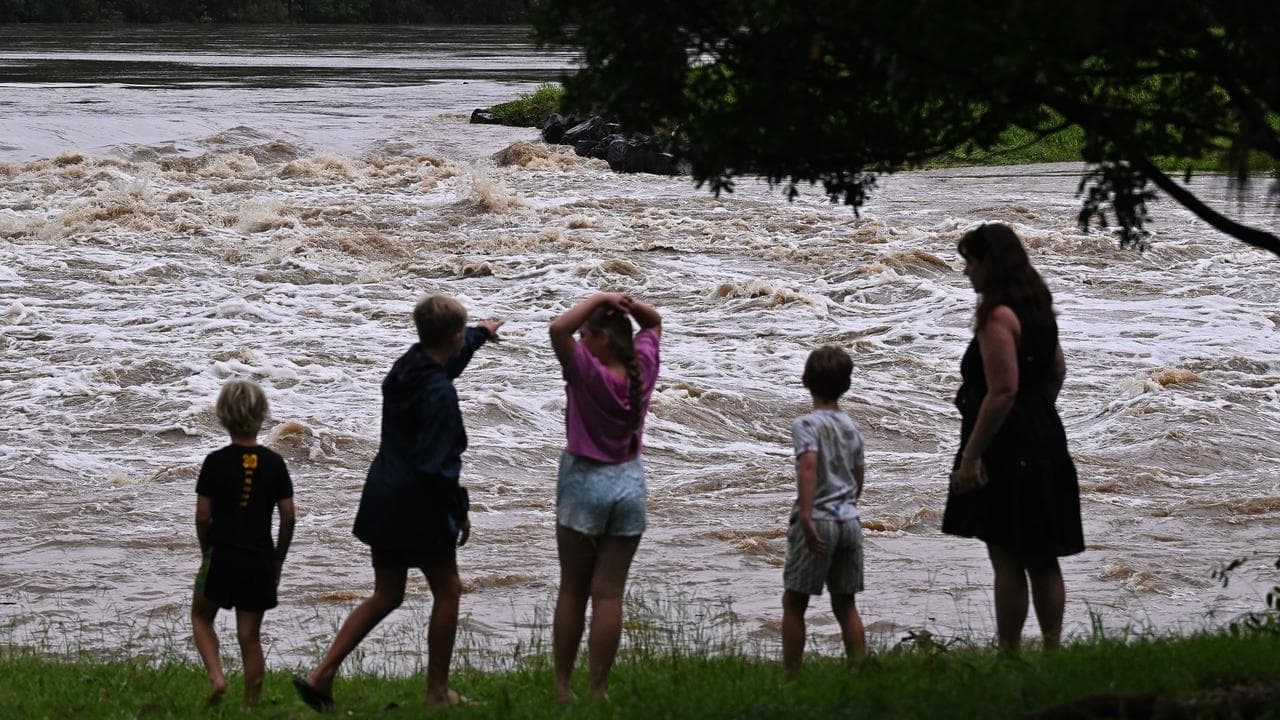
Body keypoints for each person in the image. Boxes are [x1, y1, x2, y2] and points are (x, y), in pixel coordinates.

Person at [293, 295, 502, 710]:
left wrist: (479, 333)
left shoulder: (405, 367)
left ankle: (321, 676)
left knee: (387, 593)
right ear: (453, 336)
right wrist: (459, 509)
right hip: (419, 506)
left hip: (384, 496)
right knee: (448, 589)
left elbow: (445, 360)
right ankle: (437, 692)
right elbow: (437, 466)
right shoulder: (440, 394)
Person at [942, 223, 1084, 652]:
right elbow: (1057, 371)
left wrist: (971, 457)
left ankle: (1009, 653)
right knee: (1044, 557)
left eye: (970, 261)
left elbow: (1002, 391)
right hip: (1046, 438)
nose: (966, 271)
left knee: (1006, 557)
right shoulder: (1038, 308)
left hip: (1006, 448)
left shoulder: (997, 317)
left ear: (989, 264)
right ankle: (1054, 652)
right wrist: (1036, 413)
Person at [548, 292, 661, 702]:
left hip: (584, 483)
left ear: (603, 339)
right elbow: (653, 323)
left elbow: (557, 329)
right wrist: (630, 305)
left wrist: (601, 296)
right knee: (609, 594)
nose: (580, 339)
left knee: (573, 590)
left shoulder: (586, 371)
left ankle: (563, 686)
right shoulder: (641, 367)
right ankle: (598, 689)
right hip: (629, 485)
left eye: (586, 334)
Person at [192, 378, 295, 707]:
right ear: (262, 415)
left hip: (222, 554)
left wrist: (206, 551)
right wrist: (278, 559)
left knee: (201, 616)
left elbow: (202, 517)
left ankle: (217, 678)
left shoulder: (215, 462)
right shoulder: (275, 463)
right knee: (249, 637)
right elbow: (289, 516)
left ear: (222, 416)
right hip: (260, 558)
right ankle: (251, 705)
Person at [781, 345, 867, 676]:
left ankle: (792, 678)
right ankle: (858, 670)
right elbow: (858, 476)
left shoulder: (806, 424)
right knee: (846, 604)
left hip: (818, 519)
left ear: (805, 380)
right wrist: (849, 504)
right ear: (847, 385)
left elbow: (808, 466)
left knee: (794, 601)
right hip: (849, 521)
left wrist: (806, 515)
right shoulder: (852, 427)